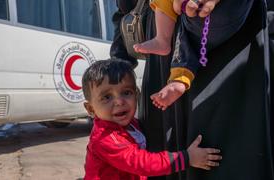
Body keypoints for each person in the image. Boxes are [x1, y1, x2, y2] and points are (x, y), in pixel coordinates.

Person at [111, 0, 274, 180]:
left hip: (234, 44)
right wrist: (117, 70)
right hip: (162, 52)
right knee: (165, 160)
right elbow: (125, 9)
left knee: (226, 158)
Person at [82, 59, 222, 180]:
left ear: (137, 95)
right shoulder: (105, 138)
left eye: (126, 92)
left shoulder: (132, 124)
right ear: (91, 109)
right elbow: (141, 163)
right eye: (107, 97)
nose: (119, 101)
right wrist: (186, 158)